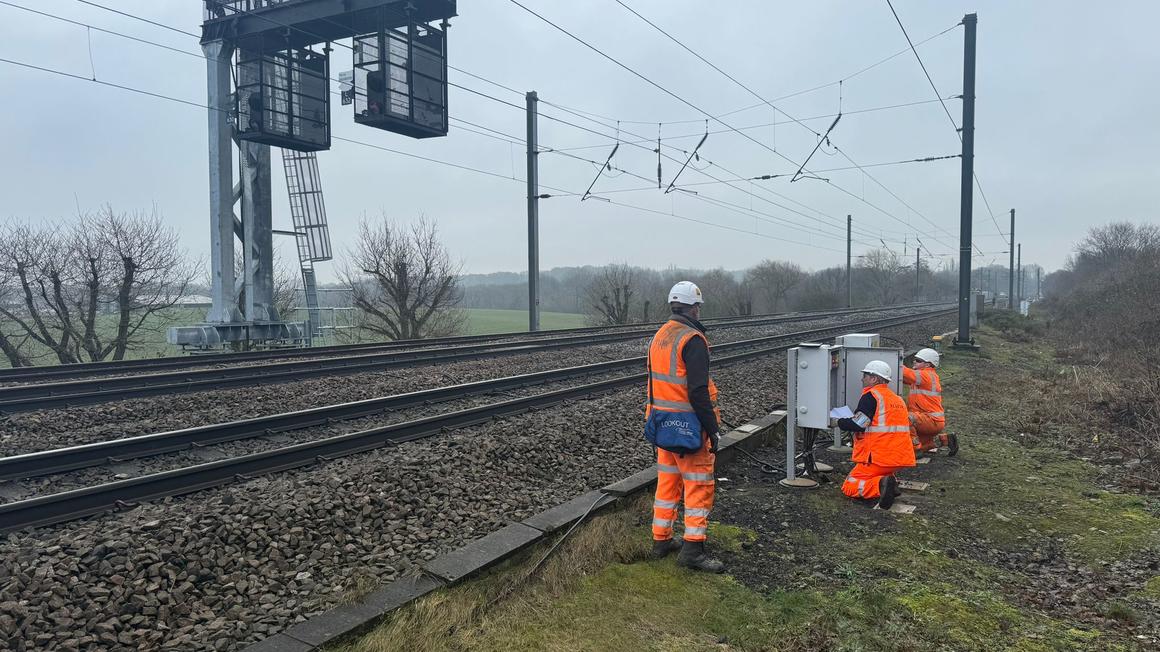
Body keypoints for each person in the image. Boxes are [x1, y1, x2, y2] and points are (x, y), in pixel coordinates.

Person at [647, 281, 724, 573]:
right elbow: (698, 391)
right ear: (693, 307)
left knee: (667, 484)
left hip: (663, 425)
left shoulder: (661, 335)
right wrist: (713, 429)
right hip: (690, 429)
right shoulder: (692, 340)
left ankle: (661, 541)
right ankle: (693, 550)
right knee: (698, 486)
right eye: (699, 307)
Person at [836, 360, 916, 509]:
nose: (862, 379)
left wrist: (838, 422)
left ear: (874, 378)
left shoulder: (871, 396)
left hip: (878, 458)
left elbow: (858, 424)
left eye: (865, 375)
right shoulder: (897, 399)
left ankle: (881, 486)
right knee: (877, 475)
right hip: (898, 458)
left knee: (850, 486)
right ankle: (889, 482)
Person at [902, 348, 956, 456]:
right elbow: (904, 378)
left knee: (905, 418)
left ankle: (916, 449)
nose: (914, 361)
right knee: (925, 445)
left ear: (927, 365)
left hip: (930, 420)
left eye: (918, 360)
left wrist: (893, 360)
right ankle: (946, 439)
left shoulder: (925, 375)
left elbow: (905, 372)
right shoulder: (922, 377)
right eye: (914, 359)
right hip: (928, 420)